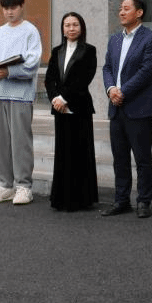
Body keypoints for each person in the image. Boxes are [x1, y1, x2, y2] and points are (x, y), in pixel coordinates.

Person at [0, 0, 43, 206]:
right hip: (0, 92)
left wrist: (10, 72)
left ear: (22, 6)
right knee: (2, 142)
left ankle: (24, 187)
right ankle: (5, 185)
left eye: (13, 7)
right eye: (5, 8)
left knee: (20, 141)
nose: (9, 12)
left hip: (21, 94)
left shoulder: (30, 31)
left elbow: (32, 62)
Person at [101, 0, 152, 219]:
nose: (121, 12)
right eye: (120, 8)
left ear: (139, 12)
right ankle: (121, 200)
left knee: (142, 158)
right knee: (120, 158)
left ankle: (144, 201)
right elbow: (107, 68)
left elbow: (146, 72)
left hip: (138, 107)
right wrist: (111, 90)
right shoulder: (115, 39)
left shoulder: (150, 39)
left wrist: (122, 91)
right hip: (116, 107)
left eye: (126, 8)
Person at [44, 12, 99, 212]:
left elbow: (83, 79)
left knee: (80, 153)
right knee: (63, 153)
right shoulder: (57, 51)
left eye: (75, 24)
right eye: (67, 25)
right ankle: (62, 199)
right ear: (63, 28)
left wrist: (64, 98)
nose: (71, 28)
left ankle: (81, 199)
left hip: (79, 107)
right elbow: (49, 79)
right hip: (60, 109)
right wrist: (55, 99)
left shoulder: (89, 50)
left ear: (81, 27)